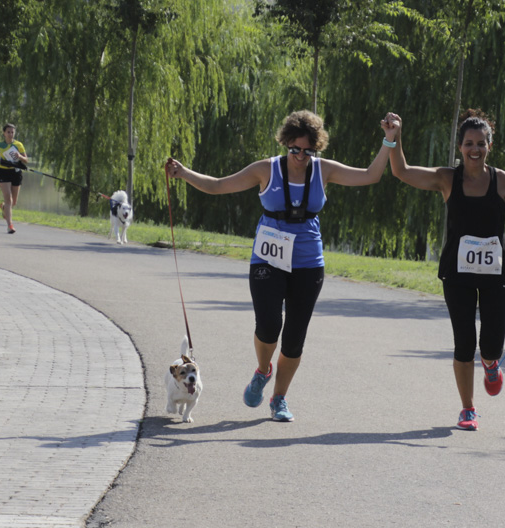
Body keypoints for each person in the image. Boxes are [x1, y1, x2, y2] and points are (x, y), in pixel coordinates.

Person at [164, 110, 392, 422]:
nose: (300, 156)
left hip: (308, 262)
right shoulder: (266, 169)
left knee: (295, 336)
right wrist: (183, 173)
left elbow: (370, 175)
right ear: (286, 144)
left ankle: (279, 398)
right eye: (295, 149)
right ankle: (262, 370)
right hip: (268, 258)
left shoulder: (323, 170)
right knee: (269, 325)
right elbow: (218, 185)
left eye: (308, 150)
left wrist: (389, 140)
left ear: (316, 148)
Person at [384, 110, 505, 431]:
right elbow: (401, 171)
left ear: (489, 146)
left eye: (481, 143)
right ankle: (468, 409)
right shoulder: (447, 179)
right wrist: (394, 137)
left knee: (490, 345)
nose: (475, 149)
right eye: (469, 143)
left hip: (497, 275)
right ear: (460, 147)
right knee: (463, 342)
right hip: (457, 275)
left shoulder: (502, 181)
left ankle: (490, 363)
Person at [0, 123, 29, 234]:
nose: (10, 134)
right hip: (3, 172)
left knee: (13, 202)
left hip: (16, 172)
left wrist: (20, 156)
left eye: (12, 132)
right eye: (8, 132)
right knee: (8, 199)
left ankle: (4, 207)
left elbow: (26, 160)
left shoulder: (18, 145)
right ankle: (10, 225)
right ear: (4, 133)